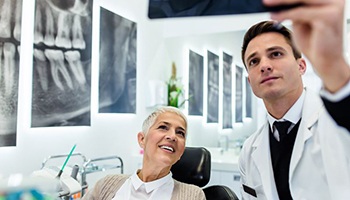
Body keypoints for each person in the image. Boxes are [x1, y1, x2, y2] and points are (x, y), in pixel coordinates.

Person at [239, 0, 350, 199]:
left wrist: (335, 69)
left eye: (275, 54)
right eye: (254, 61)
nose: (264, 66)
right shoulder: (249, 150)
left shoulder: (336, 121)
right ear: (250, 81)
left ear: (301, 67)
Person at [82, 106, 206, 200]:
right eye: (163, 127)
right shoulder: (106, 185)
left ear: (181, 152)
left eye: (180, 133)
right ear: (142, 139)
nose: (172, 136)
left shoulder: (193, 196)